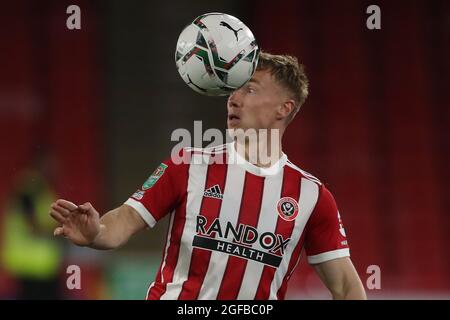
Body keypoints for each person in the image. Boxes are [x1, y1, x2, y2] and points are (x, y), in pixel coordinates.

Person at [49, 52, 366, 300]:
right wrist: (96, 233)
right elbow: (124, 221)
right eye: (234, 90)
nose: (234, 98)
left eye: (250, 89)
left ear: (283, 109)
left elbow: (347, 287)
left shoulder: (312, 197)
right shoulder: (188, 164)